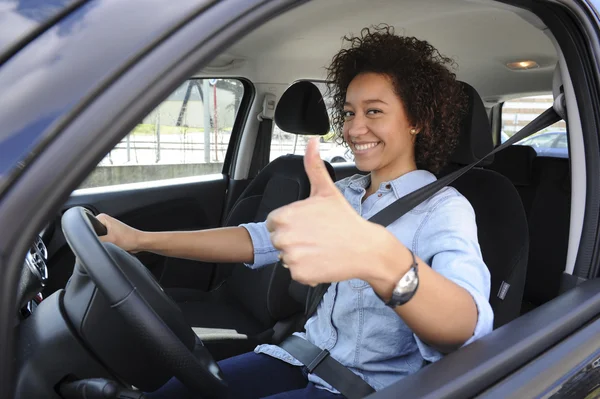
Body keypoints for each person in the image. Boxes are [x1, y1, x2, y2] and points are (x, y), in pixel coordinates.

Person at [98, 25, 493, 399]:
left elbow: (466, 327)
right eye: (351, 112)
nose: (355, 129)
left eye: (374, 112)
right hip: (297, 356)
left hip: (364, 388)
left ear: (418, 121)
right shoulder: (345, 192)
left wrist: (381, 258)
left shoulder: (443, 210)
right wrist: (139, 240)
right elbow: (256, 239)